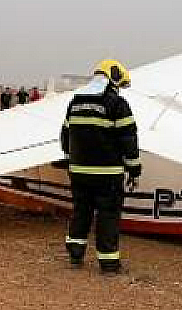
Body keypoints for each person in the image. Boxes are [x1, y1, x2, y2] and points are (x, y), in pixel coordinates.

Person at [60, 59, 140, 274]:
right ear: (113, 79)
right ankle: (109, 263)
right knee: (108, 216)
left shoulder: (75, 101)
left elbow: (65, 135)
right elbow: (128, 139)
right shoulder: (117, 104)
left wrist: (71, 160)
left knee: (81, 211)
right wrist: (134, 169)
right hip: (108, 174)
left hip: (79, 172)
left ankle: (75, 254)